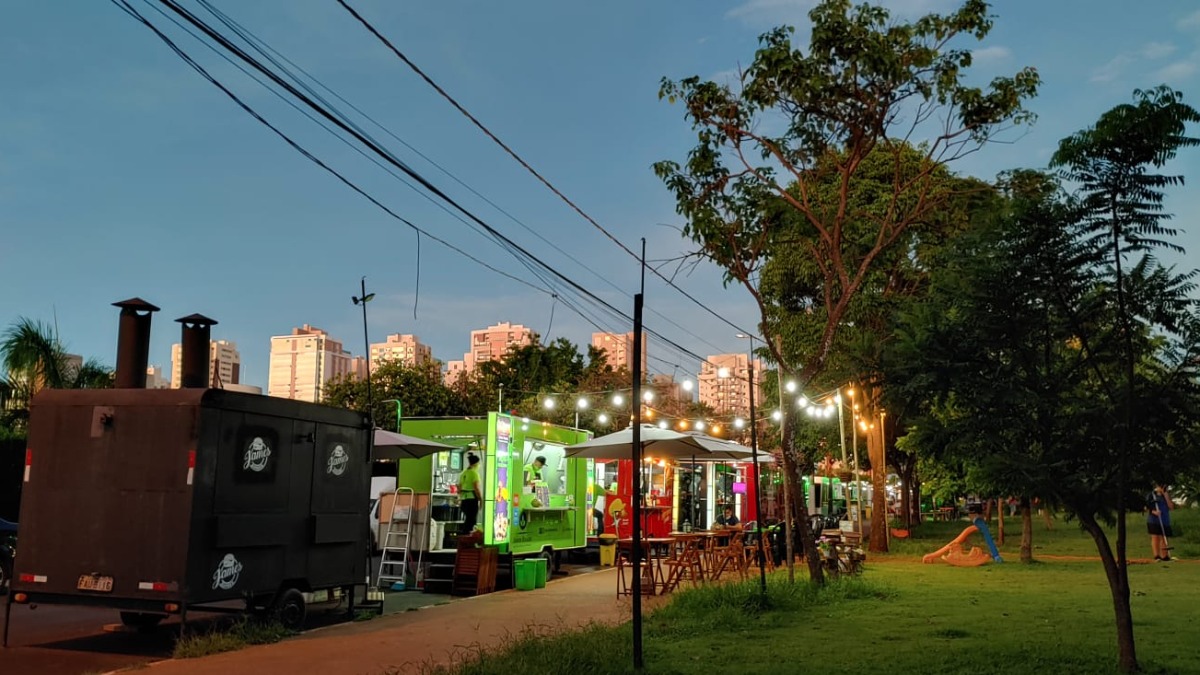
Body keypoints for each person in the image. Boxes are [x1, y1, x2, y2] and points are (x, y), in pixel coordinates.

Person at [1147, 485, 1174, 561]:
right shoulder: (1152, 495)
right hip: (1154, 519)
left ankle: (1165, 555)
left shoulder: (1166, 496)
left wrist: (1166, 495)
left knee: (1164, 537)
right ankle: (1156, 556)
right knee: (1156, 537)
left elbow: (1171, 507)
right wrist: (1153, 511)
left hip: (1164, 519)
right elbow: (1146, 506)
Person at [458, 453, 482, 534]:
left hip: (464, 500)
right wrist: (481, 499)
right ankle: (468, 538)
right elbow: (476, 488)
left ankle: (465, 536)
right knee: (471, 521)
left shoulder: (463, 473)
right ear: (476, 464)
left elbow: (459, 488)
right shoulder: (474, 473)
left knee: (468, 520)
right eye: (478, 463)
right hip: (472, 500)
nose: (479, 465)